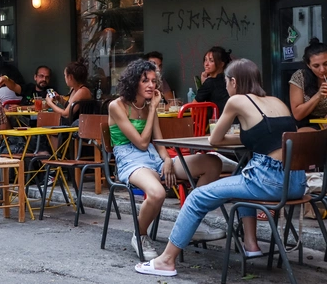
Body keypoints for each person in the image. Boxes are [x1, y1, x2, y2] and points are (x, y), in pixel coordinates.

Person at [136, 58, 306, 277]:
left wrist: (229, 137)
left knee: (196, 197)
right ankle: (251, 244)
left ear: (233, 81)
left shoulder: (237, 101)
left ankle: (166, 261)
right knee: (241, 181)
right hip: (296, 182)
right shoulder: (277, 101)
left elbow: (215, 139)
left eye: (226, 82)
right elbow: (268, 137)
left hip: (269, 180)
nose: (226, 87)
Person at [109, 59, 222, 262]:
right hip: (130, 159)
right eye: (145, 80)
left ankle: (190, 222)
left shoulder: (147, 105)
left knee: (212, 163)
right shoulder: (116, 106)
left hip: (154, 157)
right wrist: (153, 109)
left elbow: (158, 141)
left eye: (154, 81)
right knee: (157, 193)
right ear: (133, 82)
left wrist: (167, 159)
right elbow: (142, 143)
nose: (151, 85)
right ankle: (140, 235)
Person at [289, 38, 327, 128]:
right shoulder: (300, 76)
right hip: (307, 123)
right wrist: (318, 95)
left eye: (326, 64)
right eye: (316, 66)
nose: (322, 70)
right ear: (308, 65)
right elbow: (297, 115)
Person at [45, 58, 92, 125]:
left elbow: (66, 114)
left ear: (70, 77)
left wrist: (50, 103)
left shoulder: (83, 91)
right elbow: (71, 106)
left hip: (77, 126)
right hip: (70, 123)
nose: (65, 78)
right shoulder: (74, 89)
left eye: (65, 75)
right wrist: (59, 99)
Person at [195, 46, 232, 116]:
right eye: (205, 60)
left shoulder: (210, 82)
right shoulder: (230, 80)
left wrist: (204, 84)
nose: (206, 64)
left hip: (218, 121)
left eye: (211, 61)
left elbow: (193, 107)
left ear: (221, 64)